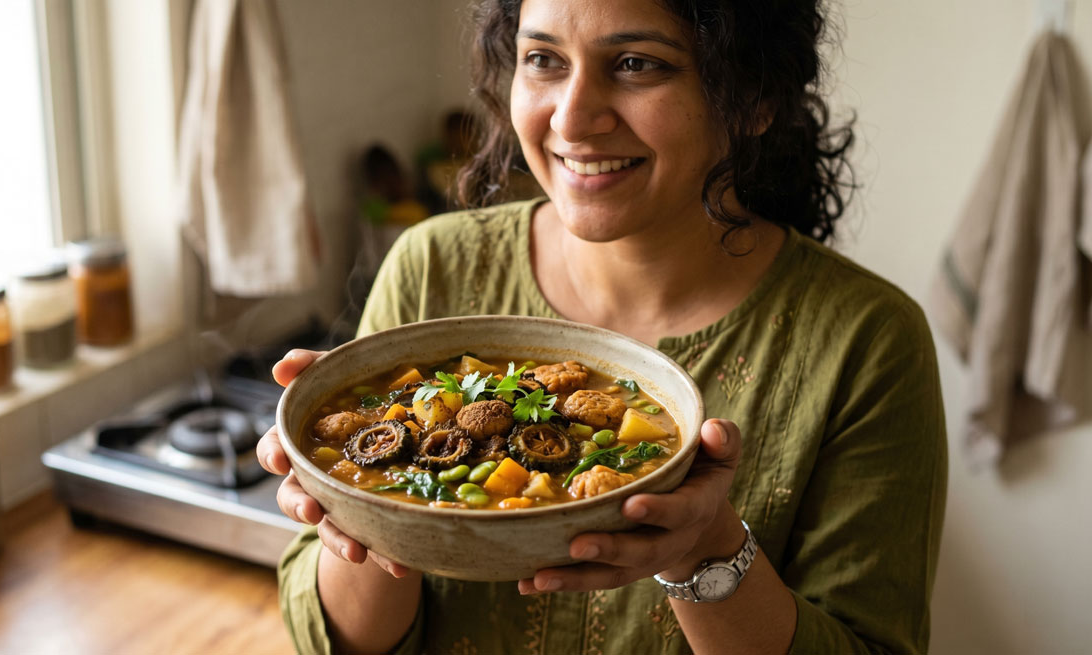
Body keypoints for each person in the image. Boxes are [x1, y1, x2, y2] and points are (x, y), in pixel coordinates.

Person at [257, 0, 948, 653]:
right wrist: (357, 504)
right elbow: (336, 641)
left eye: (636, 64)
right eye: (544, 59)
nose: (574, 116)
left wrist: (703, 547)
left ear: (756, 98)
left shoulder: (869, 343)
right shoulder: (429, 267)